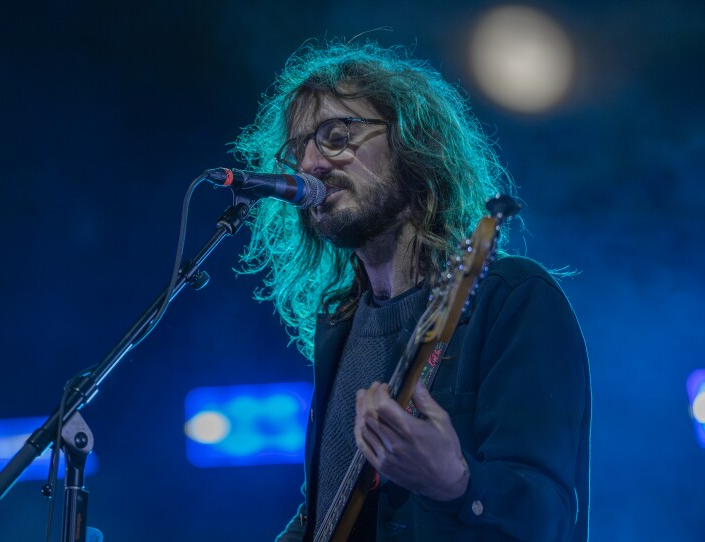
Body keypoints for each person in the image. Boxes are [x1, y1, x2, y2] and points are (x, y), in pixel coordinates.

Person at [232, 41, 590, 542]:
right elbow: (327, 514)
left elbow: (548, 517)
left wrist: (457, 484)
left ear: (414, 144)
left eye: (336, 135)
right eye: (298, 150)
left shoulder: (512, 299)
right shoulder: (340, 325)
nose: (309, 163)